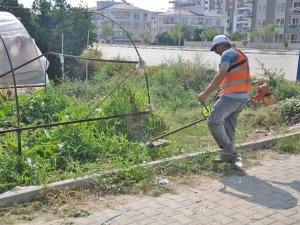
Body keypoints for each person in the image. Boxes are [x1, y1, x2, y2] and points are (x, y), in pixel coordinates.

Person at [198, 35, 252, 163]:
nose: (215, 51)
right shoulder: (239, 53)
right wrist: (221, 92)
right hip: (241, 96)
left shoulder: (227, 53)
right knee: (229, 124)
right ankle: (230, 155)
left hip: (232, 96)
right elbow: (233, 75)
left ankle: (229, 151)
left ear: (221, 45)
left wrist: (205, 94)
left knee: (213, 121)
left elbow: (221, 74)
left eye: (215, 48)